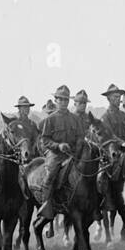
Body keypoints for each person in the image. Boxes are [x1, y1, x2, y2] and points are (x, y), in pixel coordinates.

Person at [37, 85, 85, 222]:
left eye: (66, 100)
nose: (64, 102)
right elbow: (45, 139)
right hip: (56, 155)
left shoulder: (75, 118)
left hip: (73, 154)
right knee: (50, 176)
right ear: (56, 100)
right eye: (61, 100)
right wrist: (58, 145)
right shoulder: (50, 119)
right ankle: (46, 206)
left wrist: (77, 147)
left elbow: (81, 136)